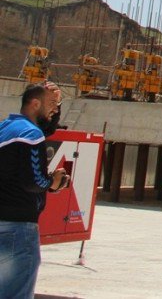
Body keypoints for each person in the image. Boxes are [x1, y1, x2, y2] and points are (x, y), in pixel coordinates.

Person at [1, 83, 69, 299]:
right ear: (35, 103)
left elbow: (45, 127)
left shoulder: (6, 128)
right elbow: (33, 180)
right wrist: (53, 183)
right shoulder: (31, 134)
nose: (55, 109)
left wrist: (56, 100)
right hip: (18, 228)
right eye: (51, 104)